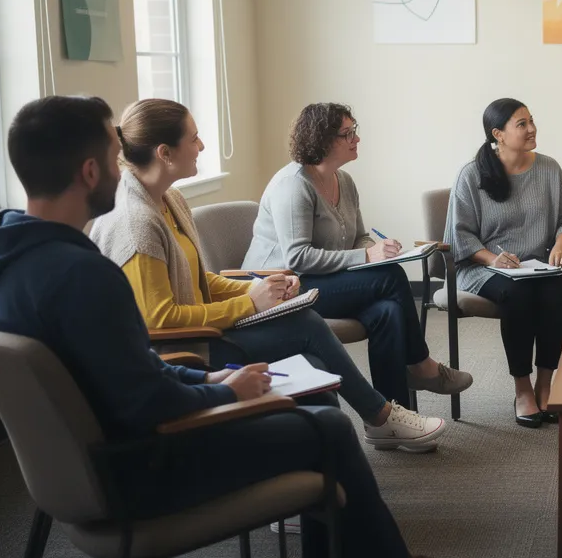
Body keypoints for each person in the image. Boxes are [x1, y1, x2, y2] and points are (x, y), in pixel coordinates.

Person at [0, 96, 478, 558]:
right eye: (112, 150)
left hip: (87, 462)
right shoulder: (85, 273)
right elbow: (145, 387)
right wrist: (224, 391)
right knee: (327, 426)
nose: (122, 160)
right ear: (88, 170)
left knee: (315, 406)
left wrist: (208, 376)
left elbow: (119, 371)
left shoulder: (7, 261)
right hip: (138, 467)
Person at [87, 98, 444, 453]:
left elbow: (199, 280)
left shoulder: (170, 199)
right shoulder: (137, 223)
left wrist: (255, 287)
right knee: (310, 325)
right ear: (165, 153)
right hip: (186, 349)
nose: (202, 146)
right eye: (194, 139)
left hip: (210, 328)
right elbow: (160, 321)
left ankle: (362, 437)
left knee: (322, 360)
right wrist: (247, 303)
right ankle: (382, 415)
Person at [242, 102, 473, 413]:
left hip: (321, 280)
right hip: (285, 288)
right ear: (321, 140)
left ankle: (395, 417)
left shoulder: (344, 181)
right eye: (347, 133)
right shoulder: (293, 185)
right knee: (391, 278)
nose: (356, 139)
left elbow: (358, 236)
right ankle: (421, 365)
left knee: (387, 310)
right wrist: (366, 255)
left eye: (355, 131)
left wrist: (379, 249)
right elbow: (298, 258)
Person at [445, 98, 562, 428]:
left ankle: (545, 385)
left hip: (534, 266)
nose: (532, 128)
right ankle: (522, 389)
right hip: (482, 268)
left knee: (556, 291)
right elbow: (458, 237)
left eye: (532, 120)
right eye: (522, 124)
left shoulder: (549, 168)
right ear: (499, 134)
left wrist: (561, 246)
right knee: (518, 295)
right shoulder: (472, 175)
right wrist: (494, 258)